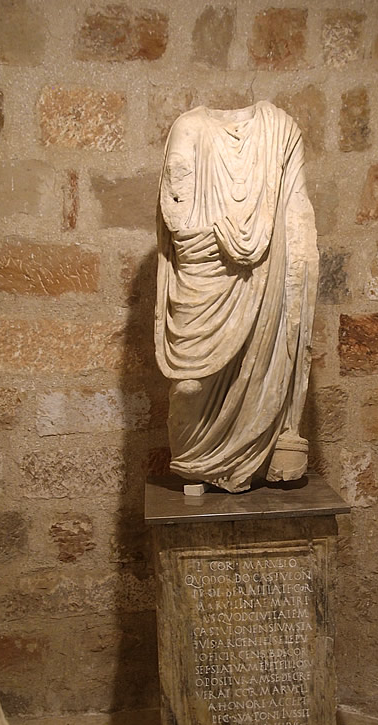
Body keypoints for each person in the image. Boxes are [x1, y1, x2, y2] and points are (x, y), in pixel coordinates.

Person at [155, 101, 318, 493]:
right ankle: (195, 461)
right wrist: (213, 241)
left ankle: (264, 446)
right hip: (200, 277)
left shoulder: (281, 129)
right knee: (188, 387)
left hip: (267, 274)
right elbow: (176, 216)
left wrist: (301, 267)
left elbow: (297, 212)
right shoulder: (188, 126)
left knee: (265, 373)